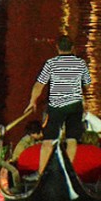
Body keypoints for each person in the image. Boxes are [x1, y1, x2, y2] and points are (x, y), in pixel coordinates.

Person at [24, 34, 91, 174]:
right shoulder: (81, 63)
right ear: (72, 48)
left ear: (57, 48)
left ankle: (41, 173)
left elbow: (39, 85)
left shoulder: (51, 63)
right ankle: (68, 171)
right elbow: (87, 84)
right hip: (75, 106)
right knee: (72, 140)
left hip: (56, 107)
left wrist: (32, 101)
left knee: (48, 141)